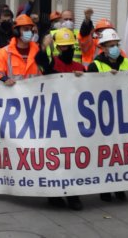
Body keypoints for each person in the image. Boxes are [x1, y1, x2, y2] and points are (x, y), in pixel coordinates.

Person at [34, 28, 85, 210]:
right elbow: (40, 63)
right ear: (57, 48)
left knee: (71, 157)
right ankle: (53, 195)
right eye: (63, 47)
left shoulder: (79, 68)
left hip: (73, 118)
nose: (67, 50)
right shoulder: (52, 63)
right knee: (54, 158)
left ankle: (73, 195)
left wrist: (84, 78)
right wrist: (43, 47)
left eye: (69, 46)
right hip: (53, 118)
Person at [86, 28, 128, 202]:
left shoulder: (127, 63)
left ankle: (120, 186)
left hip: (123, 114)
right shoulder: (96, 65)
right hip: (104, 116)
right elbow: (88, 89)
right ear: (103, 48)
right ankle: (105, 189)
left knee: (121, 152)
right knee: (105, 153)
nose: (115, 48)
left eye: (116, 45)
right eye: (111, 45)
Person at [0, 14, 41, 84]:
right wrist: (4, 79)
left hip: (34, 94)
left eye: (31, 29)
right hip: (12, 94)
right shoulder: (3, 53)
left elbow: (46, 76)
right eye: (26, 29)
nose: (29, 32)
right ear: (16, 32)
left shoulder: (38, 53)